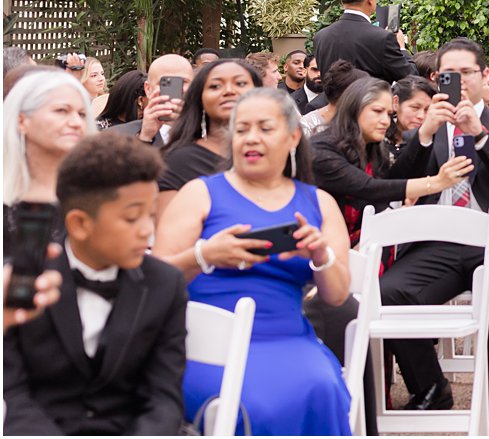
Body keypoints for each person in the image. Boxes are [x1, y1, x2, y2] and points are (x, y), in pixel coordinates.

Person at [155, 88, 352, 435]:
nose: (251, 138)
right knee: (253, 403)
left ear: (292, 137)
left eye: (264, 128)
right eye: (242, 129)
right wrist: (204, 255)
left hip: (288, 338)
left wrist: (320, 255)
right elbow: (154, 278)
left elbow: (337, 296)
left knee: (322, 387)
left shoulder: (319, 203)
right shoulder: (201, 193)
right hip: (206, 345)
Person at [378, 41, 489, 427]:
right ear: (437, 80)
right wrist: (427, 135)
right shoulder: (428, 128)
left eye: (467, 73)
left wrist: (480, 134)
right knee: (388, 292)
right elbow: (395, 183)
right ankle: (431, 387)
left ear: (486, 77)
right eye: (448, 75)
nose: (460, 82)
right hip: (440, 242)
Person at [3, 133, 187, 434]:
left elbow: (163, 397)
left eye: (151, 216)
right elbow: (11, 392)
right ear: (79, 224)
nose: (147, 231)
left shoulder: (165, 284)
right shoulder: (26, 282)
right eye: (132, 218)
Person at [311, 75, 471, 245]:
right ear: (354, 108)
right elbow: (368, 187)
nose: (385, 121)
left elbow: (395, 179)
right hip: (321, 250)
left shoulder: (371, 145)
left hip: (368, 244)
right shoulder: (321, 149)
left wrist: (425, 133)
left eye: (388, 114)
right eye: (377, 111)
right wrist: (438, 182)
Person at [156, 58, 259, 218]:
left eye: (240, 84)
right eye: (215, 86)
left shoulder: (280, 153)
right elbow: (166, 233)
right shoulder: (179, 161)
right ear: (200, 98)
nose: (229, 91)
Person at [4, 70, 95, 243]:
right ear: (22, 121)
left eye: (82, 114)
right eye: (62, 110)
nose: (76, 123)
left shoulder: (100, 192)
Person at [313, 0, 415, 82]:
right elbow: (410, 77)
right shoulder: (382, 38)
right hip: (369, 99)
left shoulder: (321, 37)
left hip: (333, 99)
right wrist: (401, 48)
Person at [106, 52, 193, 146]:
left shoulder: (206, 132)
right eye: (165, 83)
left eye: (183, 82)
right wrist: (145, 137)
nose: (176, 89)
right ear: (148, 89)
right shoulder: (116, 137)